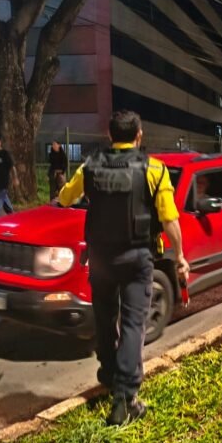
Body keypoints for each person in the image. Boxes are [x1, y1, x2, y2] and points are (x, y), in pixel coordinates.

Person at [58, 110, 189, 426]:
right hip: (136, 258)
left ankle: (108, 372)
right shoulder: (153, 169)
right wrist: (180, 256)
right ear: (139, 135)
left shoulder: (90, 166)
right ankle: (125, 400)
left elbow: (65, 199)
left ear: (109, 134)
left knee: (105, 318)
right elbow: (169, 220)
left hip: (101, 258)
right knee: (133, 324)